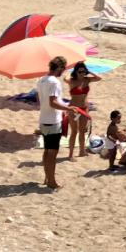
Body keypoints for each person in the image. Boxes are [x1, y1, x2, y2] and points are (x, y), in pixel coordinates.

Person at [37, 56, 82, 189]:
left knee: (46, 150)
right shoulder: (54, 82)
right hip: (52, 121)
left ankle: (47, 178)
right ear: (60, 68)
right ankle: (51, 181)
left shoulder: (41, 80)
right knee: (52, 153)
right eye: (64, 68)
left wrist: (63, 106)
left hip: (43, 119)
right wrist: (68, 108)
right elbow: (53, 102)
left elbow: (43, 100)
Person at [66, 62, 100, 159]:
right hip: (74, 109)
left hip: (84, 108)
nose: (82, 73)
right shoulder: (72, 81)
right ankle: (71, 154)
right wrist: (71, 71)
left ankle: (82, 151)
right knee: (74, 132)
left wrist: (90, 72)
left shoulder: (87, 80)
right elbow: (65, 78)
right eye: (79, 71)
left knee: (82, 131)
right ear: (75, 72)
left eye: (83, 71)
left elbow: (98, 78)